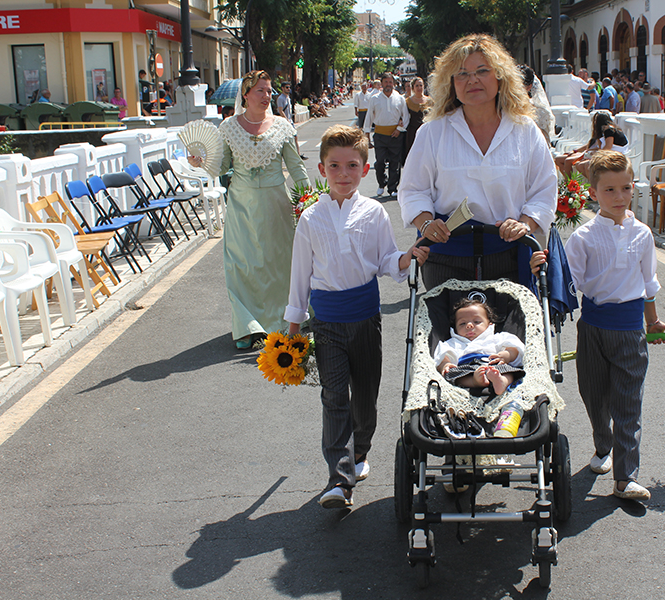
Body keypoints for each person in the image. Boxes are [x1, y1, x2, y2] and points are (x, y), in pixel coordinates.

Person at [285, 124, 428, 509]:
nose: (343, 174)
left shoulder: (374, 213)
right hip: (326, 322)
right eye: (334, 166)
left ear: (365, 170)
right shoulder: (310, 219)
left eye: (351, 166)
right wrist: (293, 329)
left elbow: (386, 260)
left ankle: (360, 450)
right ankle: (339, 479)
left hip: (365, 318)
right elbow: (300, 275)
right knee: (334, 396)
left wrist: (407, 257)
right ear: (321, 169)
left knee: (365, 397)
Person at [530, 151, 665, 502]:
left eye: (626, 188)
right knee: (594, 396)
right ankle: (602, 442)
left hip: (630, 330)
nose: (619, 197)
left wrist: (653, 321)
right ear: (593, 193)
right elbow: (570, 280)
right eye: (610, 190)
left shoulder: (643, 234)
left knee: (628, 403)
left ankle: (626, 477)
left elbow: (649, 282)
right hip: (593, 328)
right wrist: (543, 266)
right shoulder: (584, 237)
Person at [398, 33, 557, 289]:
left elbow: (544, 189)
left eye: (482, 71)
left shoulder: (526, 131)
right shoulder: (432, 132)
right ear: (451, 83)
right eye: (462, 74)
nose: (472, 80)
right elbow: (413, 189)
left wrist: (524, 224)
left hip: (509, 256)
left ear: (500, 76)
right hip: (446, 258)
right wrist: (426, 224)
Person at [188, 70, 310, 349]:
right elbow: (222, 167)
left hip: (276, 203)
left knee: (278, 262)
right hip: (241, 204)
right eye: (260, 91)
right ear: (245, 95)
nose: (267, 95)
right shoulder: (228, 127)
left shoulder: (282, 126)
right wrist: (200, 162)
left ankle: (284, 318)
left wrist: (309, 199)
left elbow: (295, 166)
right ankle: (247, 325)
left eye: (269, 91)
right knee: (242, 264)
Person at [434, 297, 525, 396]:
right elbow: (442, 356)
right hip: (466, 369)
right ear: (455, 328)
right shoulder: (453, 343)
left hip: (493, 365)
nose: (469, 325)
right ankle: (475, 381)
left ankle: (501, 381)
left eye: (476, 322)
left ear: (489, 324)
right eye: (462, 323)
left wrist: (507, 355)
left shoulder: (497, 338)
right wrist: (445, 365)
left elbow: (515, 347)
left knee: (510, 370)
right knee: (451, 375)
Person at [363, 72, 409, 197]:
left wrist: (399, 129)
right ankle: (381, 183)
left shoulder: (399, 98)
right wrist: (366, 133)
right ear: (382, 84)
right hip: (380, 135)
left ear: (393, 83)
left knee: (395, 162)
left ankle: (392, 188)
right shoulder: (375, 98)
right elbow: (369, 116)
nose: (388, 84)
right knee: (380, 162)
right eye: (386, 82)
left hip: (395, 135)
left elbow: (406, 116)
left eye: (390, 82)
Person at [554, 110, 627, 178]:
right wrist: (577, 151)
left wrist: (596, 154)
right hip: (604, 155)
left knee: (581, 165)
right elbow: (598, 147)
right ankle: (572, 184)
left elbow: (608, 147)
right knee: (572, 163)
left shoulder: (609, 130)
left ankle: (585, 184)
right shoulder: (603, 132)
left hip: (614, 157)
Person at [403, 77, 430, 164]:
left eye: (421, 85)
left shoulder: (430, 101)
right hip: (412, 132)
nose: (419, 88)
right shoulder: (408, 102)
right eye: (417, 85)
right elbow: (403, 116)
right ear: (413, 87)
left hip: (427, 132)